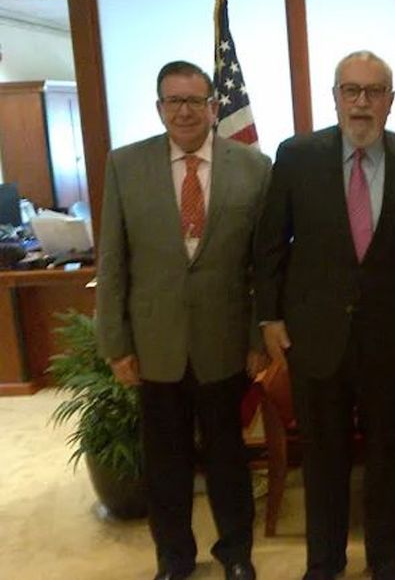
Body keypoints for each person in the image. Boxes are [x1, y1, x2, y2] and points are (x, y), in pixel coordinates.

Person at [253, 50, 395, 580]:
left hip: (391, 341)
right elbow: (271, 242)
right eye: (351, 91)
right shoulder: (296, 156)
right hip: (316, 337)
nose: (362, 103)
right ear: (334, 96)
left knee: (387, 458)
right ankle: (324, 563)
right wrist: (269, 317)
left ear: (390, 100)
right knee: (323, 460)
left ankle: (386, 564)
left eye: (374, 91)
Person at [96, 60, 269, 580]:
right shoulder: (126, 166)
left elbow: (263, 265)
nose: (185, 111)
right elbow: (113, 262)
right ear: (159, 108)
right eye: (174, 101)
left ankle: (236, 553)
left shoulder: (253, 167)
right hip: (155, 346)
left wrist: (258, 335)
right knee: (166, 466)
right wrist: (116, 343)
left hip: (224, 341)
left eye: (196, 101)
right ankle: (173, 558)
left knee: (228, 461)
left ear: (215, 107)